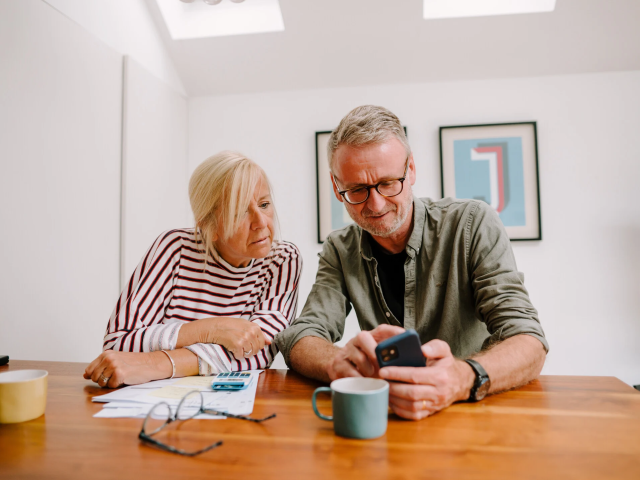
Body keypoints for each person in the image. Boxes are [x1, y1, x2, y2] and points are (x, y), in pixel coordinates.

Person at [275, 105, 548, 420]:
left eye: (389, 183)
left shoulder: (472, 223)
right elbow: (301, 334)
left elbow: (529, 341)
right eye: (358, 190)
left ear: (412, 169)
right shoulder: (339, 248)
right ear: (338, 188)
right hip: (387, 416)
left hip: (472, 411)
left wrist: (461, 378)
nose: (375, 205)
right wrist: (337, 363)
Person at [85, 151, 301, 388]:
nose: (261, 222)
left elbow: (259, 351)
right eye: (239, 212)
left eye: (264, 204)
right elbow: (118, 344)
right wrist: (213, 329)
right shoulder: (174, 249)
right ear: (209, 226)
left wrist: (158, 364)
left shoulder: (283, 260)